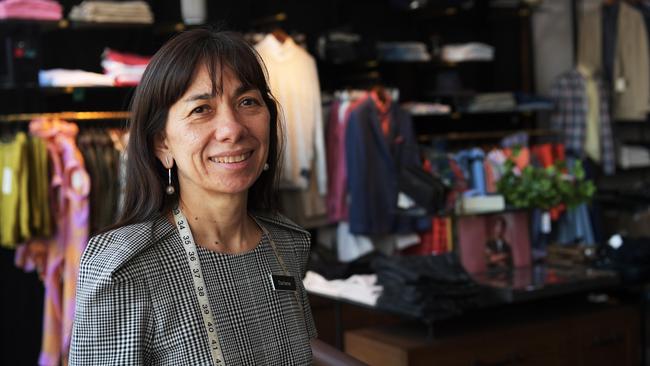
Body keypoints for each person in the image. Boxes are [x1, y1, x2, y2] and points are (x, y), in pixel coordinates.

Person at [69, 29, 362, 365]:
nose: (232, 128)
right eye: (201, 109)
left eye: (247, 102)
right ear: (162, 144)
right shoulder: (125, 269)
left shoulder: (287, 244)